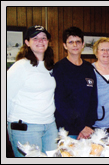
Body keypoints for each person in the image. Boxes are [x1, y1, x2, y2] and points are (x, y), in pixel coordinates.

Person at [7, 25, 58, 157]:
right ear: (27, 42)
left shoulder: (48, 66)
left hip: (49, 125)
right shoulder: (21, 66)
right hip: (26, 127)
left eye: (43, 38)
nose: (40, 41)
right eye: (35, 38)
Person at [53, 26, 98, 140]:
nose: (75, 45)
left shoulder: (89, 68)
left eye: (78, 42)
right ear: (65, 45)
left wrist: (87, 126)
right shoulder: (59, 68)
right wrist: (80, 126)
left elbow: (93, 100)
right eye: (71, 42)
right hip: (67, 131)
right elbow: (60, 102)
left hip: (87, 131)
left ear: (83, 44)